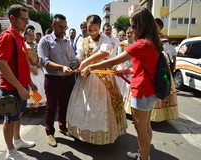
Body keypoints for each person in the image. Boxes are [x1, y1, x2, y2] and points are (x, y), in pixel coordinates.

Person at [81, 8, 161, 160]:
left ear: (142, 26)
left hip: (142, 91)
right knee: (146, 127)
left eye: (134, 26)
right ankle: (144, 153)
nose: (131, 29)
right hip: (151, 91)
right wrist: (127, 71)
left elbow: (114, 60)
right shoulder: (152, 42)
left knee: (140, 129)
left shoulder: (141, 44)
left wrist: (90, 66)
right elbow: (145, 66)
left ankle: (144, 157)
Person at [66, 14, 127, 145]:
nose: (92, 32)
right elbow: (79, 56)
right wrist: (81, 63)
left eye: (95, 29)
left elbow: (104, 53)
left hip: (103, 76)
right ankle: (85, 134)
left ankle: (104, 134)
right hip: (86, 77)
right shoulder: (84, 41)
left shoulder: (105, 38)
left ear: (100, 28)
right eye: (90, 29)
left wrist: (86, 63)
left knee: (102, 105)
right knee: (85, 105)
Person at [0, 4, 37, 160]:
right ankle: (10, 151)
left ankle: (17, 141)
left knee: (18, 115)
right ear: (12, 18)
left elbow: (24, 61)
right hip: (10, 88)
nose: (26, 23)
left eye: (27, 19)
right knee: (9, 119)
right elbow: (2, 64)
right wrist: (20, 87)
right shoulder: (6, 36)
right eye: (24, 19)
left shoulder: (20, 37)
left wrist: (30, 82)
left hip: (21, 86)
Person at [38, 14, 77, 147]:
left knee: (64, 105)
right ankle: (49, 132)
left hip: (68, 79)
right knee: (51, 107)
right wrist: (61, 67)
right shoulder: (45, 41)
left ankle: (62, 126)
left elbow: (72, 60)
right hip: (52, 79)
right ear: (53, 26)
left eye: (65, 27)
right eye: (60, 27)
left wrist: (75, 67)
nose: (63, 30)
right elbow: (43, 61)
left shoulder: (68, 42)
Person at [148, 18, 179, 122]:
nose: (154, 27)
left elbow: (164, 50)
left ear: (160, 27)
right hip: (150, 62)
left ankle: (160, 115)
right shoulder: (148, 36)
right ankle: (147, 113)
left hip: (160, 64)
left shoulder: (163, 37)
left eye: (156, 25)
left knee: (161, 84)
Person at [24, 29, 46, 113]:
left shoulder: (38, 46)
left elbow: (41, 57)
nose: (31, 37)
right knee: (30, 87)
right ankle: (30, 105)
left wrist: (36, 66)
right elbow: (21, 59)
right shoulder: (22, 46)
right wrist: (30, 67)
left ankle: (36, 103)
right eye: (29, 35)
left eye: (32, 35)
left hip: (37, 69)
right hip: (27, 70)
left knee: (38, 86)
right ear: (25, 36)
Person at [116, 27, 135, 109]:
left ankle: (127, 107)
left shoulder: (136, 44)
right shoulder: (122, 44)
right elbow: (119, 57)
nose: (129, 34)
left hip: (131, 69)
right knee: (120, 87)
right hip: (122, 68)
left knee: (128, 89)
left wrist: (130, 68)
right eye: (127, 33)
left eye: (131, 33)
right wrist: (123, 68)